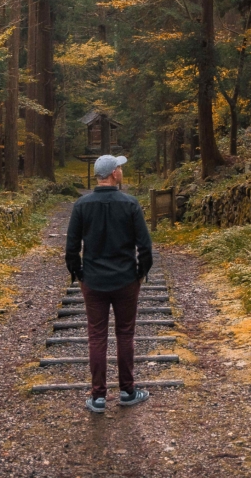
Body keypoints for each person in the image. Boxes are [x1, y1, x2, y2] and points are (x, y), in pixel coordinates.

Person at [65, 154, 153, 413]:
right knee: (125, 334)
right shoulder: (130, 204)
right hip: (125, 280)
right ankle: (127, 391)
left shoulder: (82, 205)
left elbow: (71, 248)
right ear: (114, 173)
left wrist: (79, 274)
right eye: (120, 167)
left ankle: (98, 397)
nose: (122, 170)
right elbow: (145, 247)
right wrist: (139, 273)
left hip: (93, 281)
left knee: (97, 336)